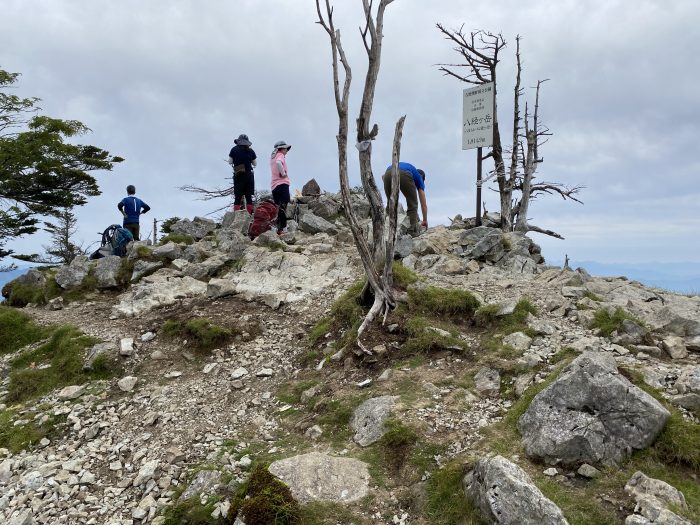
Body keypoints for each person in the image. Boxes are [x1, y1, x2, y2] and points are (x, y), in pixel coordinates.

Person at [382, 161, 428, 236]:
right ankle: (412, 232)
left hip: (387, 173)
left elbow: (383, 177)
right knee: (412, 204)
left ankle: (386, 227)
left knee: (390, 203)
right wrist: (425, 220)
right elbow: (423, 205)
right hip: (404, 174)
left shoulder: (411, 169)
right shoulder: (419, 177)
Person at [227, 133, 257, 214]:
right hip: (248, 175)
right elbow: (255, 164)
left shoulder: (233, 149)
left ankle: (236, 215)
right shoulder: (251, 151)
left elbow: (230, 162)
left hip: (238, 174)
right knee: (248, 197)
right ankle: (250, 215)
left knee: (237, 197)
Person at [269, 140, 292, 234]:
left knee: (278, 207)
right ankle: (284, 228)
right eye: (286, 148)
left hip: (274, 186)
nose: (287, 150)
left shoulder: (272, 157)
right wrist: (283, 174)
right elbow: (279, 163)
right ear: (281, 148)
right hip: (282, 183)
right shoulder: (280, 156)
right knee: (283, 206)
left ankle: (278, 229)